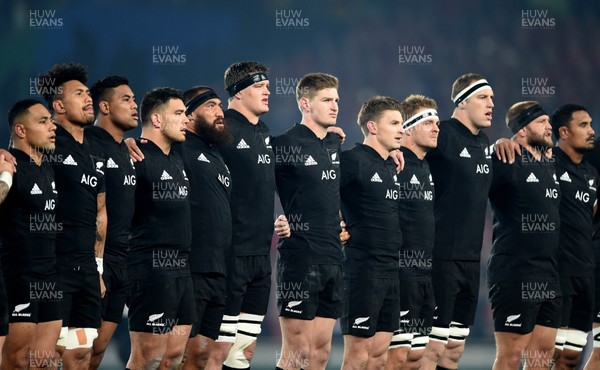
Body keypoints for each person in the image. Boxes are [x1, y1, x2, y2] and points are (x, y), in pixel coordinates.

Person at [204, 61, 276, 370]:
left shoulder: (264, 130)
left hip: (259, 257)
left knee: (243, 352)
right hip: (230, 255)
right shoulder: (221, 127)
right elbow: (182, 148)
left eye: (267, 86)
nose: (268, 90)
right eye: (260, 86)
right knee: (214, 352)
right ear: (238, 91)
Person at [421, 73, 494, 370]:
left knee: (454, 350)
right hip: (440, 255)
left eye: (491, 98)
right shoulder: (443, 132)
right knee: (430, 348)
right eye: (483, 97)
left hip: (470, 259)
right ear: (462, 102)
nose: (491, 103)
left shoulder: (485, 141)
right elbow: (406, 146)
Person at [272, 73, 343, 370]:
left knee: (320, 353)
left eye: (336, 100)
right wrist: (275, 220)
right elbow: (251, 186)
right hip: (300, 258)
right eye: (326, 100)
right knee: (296, 352)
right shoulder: (283, 144)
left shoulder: (334, 144)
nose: (335, 105)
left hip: (333, 259)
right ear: (305, 103)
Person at [38, 62, 107, 369]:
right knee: (46, 356)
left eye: (87, 92)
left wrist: (99, 266)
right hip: (53, 268)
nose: (87, 97)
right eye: (78, 93)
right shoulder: (45, 143)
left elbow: (101, 210)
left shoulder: (94, 149)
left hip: (86, 270)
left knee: (81, 353)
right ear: (58, 105)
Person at [488, 101, 561, 369]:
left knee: (543, 352)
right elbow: (471, 180)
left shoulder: (551, 165)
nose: (549, 127)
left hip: (549, 272)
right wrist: (493, 146)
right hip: (515, 270)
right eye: (541, 122)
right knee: (511, 354)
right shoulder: (507, 159)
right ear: (521, 130)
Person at [125, 87, 194, 369]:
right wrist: (123, 145)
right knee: (148, 358)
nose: (185, 120)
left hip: (182, 268)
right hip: (151, 267)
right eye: (178, 113)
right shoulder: (134, 157)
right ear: (156, 119)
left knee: (174, 358)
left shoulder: (178, 156)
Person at [340, 96, 404, 370]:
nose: (402, 129)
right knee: (358, 356)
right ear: (373, 127)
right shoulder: (352, 160)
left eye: (401, 123)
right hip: (363, 270)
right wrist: (336, 222)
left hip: (391, 269)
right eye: (394, 123)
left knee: (379, 356)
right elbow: (320, 191)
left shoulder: (391, 164)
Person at [0, 99, 61, 369]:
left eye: (51, 120)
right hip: (18, 276)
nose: (52, 126)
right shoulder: (7, 164)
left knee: (44, 362)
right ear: (21, 130)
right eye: (43, 121)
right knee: (17, 360)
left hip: (50, 275)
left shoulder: (47, 167)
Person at [176, 86, 234, 370]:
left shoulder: (217, 157)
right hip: (190, 270)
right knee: (174, 356)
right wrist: (128, 145)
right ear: (187, 116)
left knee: (201, 357)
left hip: (218, 271)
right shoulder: (179, 147)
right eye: (210, 106)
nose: (219, 112)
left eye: (219, 105)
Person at [86, 76, 138, 370]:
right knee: (75, 351)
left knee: (97, 351)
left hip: (124, 260)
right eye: (126, 100)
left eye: (134, 100)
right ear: (104, 106)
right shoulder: (86, 144)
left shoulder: (126, 149)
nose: (135, 106)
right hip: (94, 261)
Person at [385, 95, 439, 370]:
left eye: (437, 122)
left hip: (425, 274)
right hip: (400, 273)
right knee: (395, 359)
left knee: (417, 358)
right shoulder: (392, 163)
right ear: (407, 128)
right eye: (428, 121)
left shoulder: (427, 165)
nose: (436, 127)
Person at [548, 104, 597, 370]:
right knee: (547, 354)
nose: (591, 131)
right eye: (584, 125)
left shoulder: (591, 174)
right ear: (563, 132)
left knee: (571, 358)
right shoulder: (546, 163)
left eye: (590, 124)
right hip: (557, 275)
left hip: (585, 276)